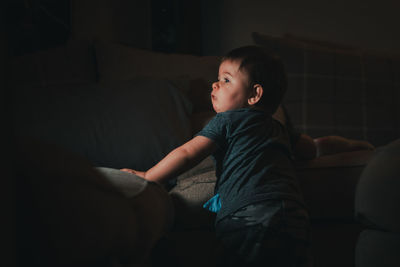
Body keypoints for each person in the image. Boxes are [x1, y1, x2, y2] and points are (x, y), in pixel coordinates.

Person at [122, 45, 312, 267]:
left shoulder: (228, 120)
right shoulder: (280, 129)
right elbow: (308, 149)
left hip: (248, 214)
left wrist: (148, 175)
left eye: (226, 80)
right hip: (295, 213)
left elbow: (187, 153)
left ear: (254, 94)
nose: (215, 84)